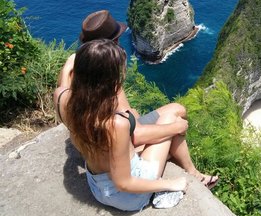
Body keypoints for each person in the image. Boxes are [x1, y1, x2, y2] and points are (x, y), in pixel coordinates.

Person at [54, 39, 218, 211]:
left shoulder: (62, 98)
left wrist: (71, 64)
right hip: (127, 196)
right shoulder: (115, 124)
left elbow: (65, 80)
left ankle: (193, 172)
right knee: (174, 121)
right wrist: (170, 184)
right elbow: (124, 183)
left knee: (171, 118)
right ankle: (193, 173)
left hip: (97, 184)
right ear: (108, 80)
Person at [57, 10, 187, 147]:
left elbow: (63, 97)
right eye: (116, 39)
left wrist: (67, 67)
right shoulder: (106, 80)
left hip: (93, 142)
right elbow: (136, 135)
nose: (119, 43)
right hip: (119, 146)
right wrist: (176, 127)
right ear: (110, 45)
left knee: (169, 110)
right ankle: (189, 168)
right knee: (177, 112)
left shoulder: (71, 72)